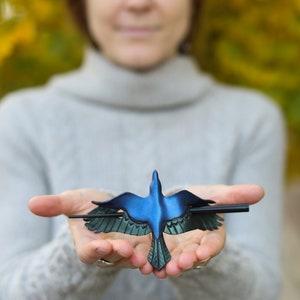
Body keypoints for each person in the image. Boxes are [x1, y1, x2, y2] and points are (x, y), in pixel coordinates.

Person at [0, 0, 285, 299]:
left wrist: (210, 258)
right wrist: (79, 255)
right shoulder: (21, 120)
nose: (138, 3)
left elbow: (263, 291)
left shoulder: (251, 119)